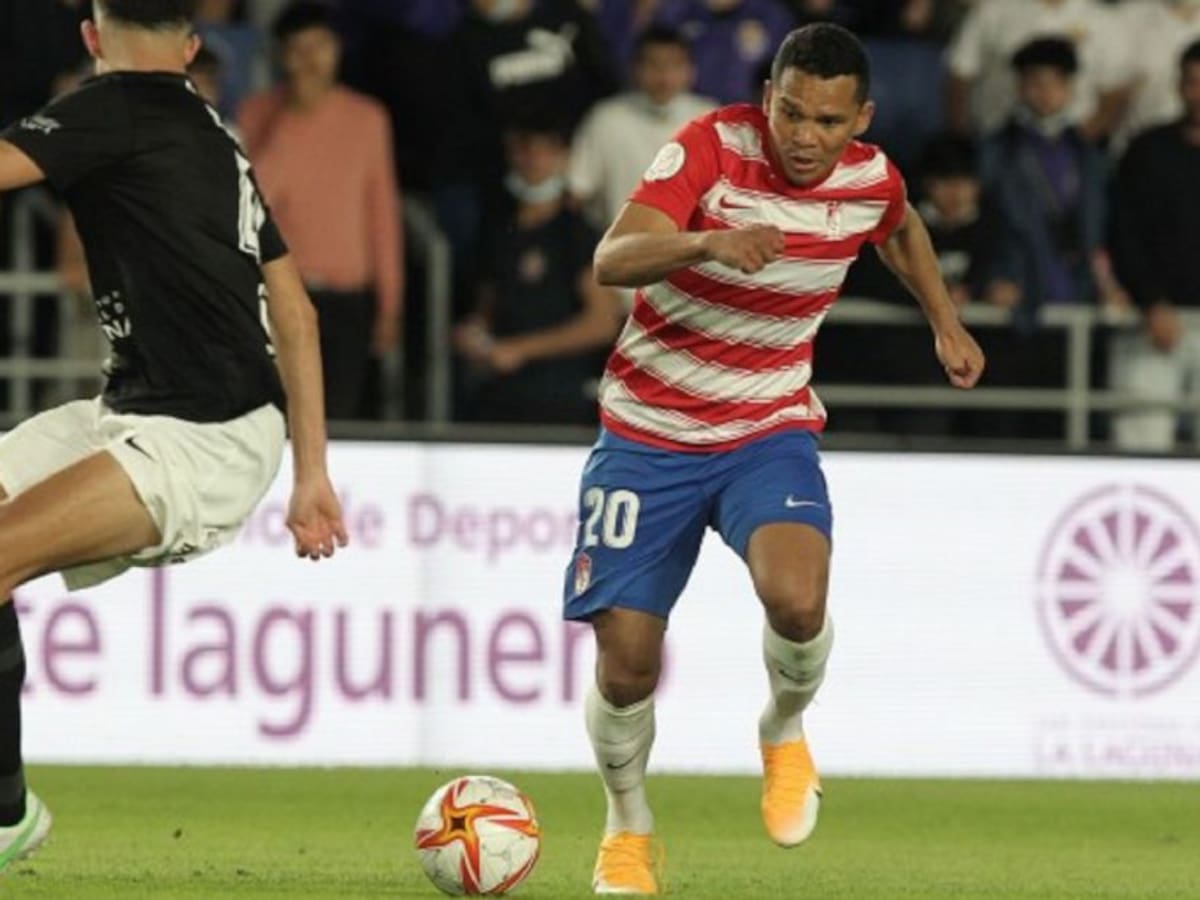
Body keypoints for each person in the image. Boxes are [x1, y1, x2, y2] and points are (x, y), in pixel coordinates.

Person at [562, 23, 984, 894]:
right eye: (790, 112)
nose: (803, 135)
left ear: (859, 119)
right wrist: (707, 241)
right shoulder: (711, 149)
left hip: (766, 426)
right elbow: (612, 258)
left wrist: (944, 319)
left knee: (797, 600)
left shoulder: (873, 178)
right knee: (627, 661)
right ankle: (628, 823)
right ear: (768, 100)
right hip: (649, 430)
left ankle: (784, 727)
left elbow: (898, 230)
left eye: (827, 121)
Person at [0, 0, 347, 870]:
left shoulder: (107, 105)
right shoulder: (215, 134)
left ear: (91, 38)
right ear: (193, 45)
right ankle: (6, 806)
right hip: (150, 412)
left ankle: (4, 814)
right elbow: (296, 314)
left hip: (202, 434)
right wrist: (313, 476)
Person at [239, 1, 404, 421]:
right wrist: (292, 120)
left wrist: (390, 301)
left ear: (337, 49)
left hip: (346, 297)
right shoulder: (258, 112)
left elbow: (381, 213)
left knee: (341, 418)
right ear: (281, 56)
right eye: (299, 49)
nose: (311, 59)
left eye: (321, 46)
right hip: (277, 290)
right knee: (275, 418)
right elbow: (255, 199)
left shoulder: (368, 117)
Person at [455, 120, 623, 425]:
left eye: (546, 151)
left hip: (561, 398)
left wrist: (522, 349)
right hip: (499, 396)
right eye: (524, 150)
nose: (534, 161)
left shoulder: (578, 233)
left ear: (565, 158)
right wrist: (473, 334)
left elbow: (603, 322)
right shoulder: (497, 231)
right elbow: (487, 306)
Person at [1109, 39, 1200, 451]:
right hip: (1153, 322)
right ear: (1179, 85)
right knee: (1141, 448)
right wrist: (1150, 302)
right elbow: (1123, 235)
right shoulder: (1147, 151)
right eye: (1193, 82)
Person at [569, 26, 716, 235]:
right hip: (620, 253)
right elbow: (578, 192)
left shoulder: (709, 118)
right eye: (653, 65)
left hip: (691, 254)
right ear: (635, 69)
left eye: (674, 65)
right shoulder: (605, 118)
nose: (664, 75)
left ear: (690, 70)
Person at [945, 0, 1133, 142]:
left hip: (1074, 151)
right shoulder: (993, 9)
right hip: (997, 143)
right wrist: (963, 139)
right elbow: (960, 75)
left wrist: (1082, 141)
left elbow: (1116, 93)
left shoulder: (1104, 20)